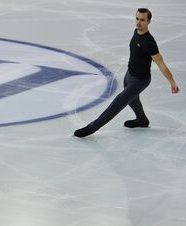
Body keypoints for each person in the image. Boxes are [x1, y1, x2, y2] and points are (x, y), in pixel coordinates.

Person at [74, 8, 179, 138]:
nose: (138, 22)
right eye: (137, 19)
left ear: (148, 22)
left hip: (140, 80)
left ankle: (92, 128)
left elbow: (160, 63)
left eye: (142, 20)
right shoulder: (136, 32)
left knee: (119, 101)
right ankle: (142, 120)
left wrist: (172, 82)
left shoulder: (149, 42)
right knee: (132, 100)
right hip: (129, 75)